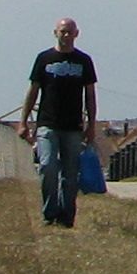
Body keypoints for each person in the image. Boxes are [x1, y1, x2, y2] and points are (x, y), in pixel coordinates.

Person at [18, 17, 99, 228]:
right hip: (47, 123)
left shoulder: (84, 61)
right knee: (47, 166)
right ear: (55, 33)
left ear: (76, 34)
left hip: (73, 126)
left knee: (70, 173)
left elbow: (90, 95)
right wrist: (23, 121)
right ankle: (49, 212)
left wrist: (91, 125)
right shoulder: (44, 59)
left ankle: (66, 216)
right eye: (62, 31)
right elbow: (33, 91)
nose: (66, 35)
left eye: (69, 32)